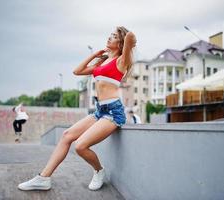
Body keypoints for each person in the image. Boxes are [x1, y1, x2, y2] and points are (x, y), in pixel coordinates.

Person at [18, 26, 136, 191]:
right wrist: (95, 55)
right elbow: (77, 71)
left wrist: (125, 37)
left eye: (114, 36)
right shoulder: (103, 63)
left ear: (121, 42)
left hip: (113, 112)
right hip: (99, 110)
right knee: (66, 136)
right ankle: (43, 178)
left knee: (80, 146)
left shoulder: (122, 61)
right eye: (110, 35)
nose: (109, 38)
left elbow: (130, 36)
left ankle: (99, 171)